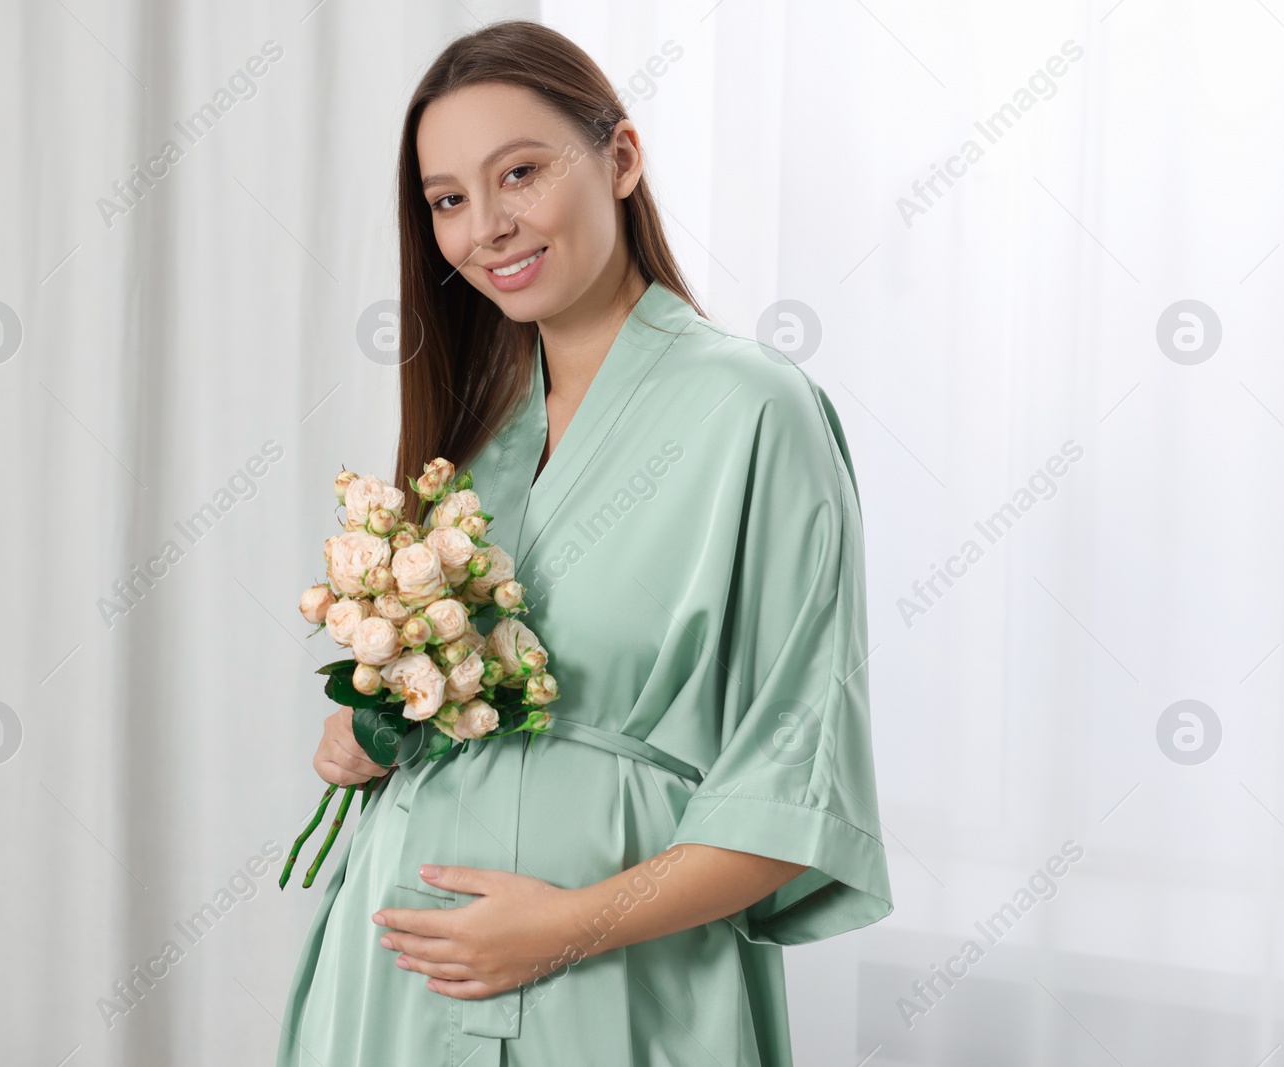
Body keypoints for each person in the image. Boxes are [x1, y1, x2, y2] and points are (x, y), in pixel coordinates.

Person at [275, 20, 892, 1067]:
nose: (486, 227)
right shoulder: (473, 439)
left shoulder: (756, 411)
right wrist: (373, 723)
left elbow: (797, 785)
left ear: (620, 159)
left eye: (519, 172)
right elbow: (455, 692)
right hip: (391, 983)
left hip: (615, 984)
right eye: (447, 201)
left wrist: (568, 926)